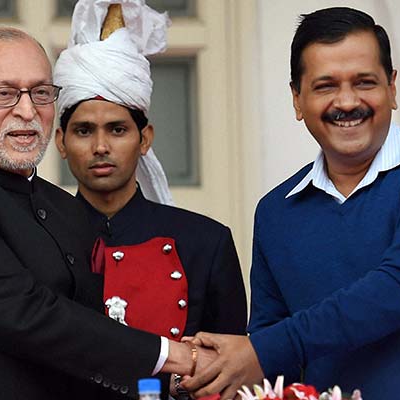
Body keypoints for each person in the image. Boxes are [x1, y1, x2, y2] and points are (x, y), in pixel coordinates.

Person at [183, 7, 400, 400]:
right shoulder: (277, 211)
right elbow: (274, 357)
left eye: (365, 82)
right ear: (297, 99)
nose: (347, 101)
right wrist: (198, 369)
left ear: (392, 88)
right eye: (325, 85)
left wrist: (262, 349)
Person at [0, 25, 213, 400]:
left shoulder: (66, 211)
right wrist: (175, 355)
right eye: (4, 94)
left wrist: (171, 383)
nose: (28, 110)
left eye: (41, 93)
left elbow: (81, 347)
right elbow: (26, 312)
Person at [53, 1, 247, 398]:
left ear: (145, 139)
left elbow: (228, 377)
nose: (101, 146)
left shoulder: (205, 243)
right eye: (84, 130)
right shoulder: (37, 237)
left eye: (118, 129)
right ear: (60, 142)